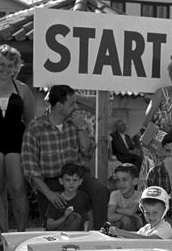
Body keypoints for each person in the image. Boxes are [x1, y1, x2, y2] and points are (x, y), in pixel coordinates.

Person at [21, 85, 108, 233]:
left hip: (76, 175)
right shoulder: (35, 127)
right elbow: (30, 168)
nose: (76, 107)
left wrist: (82, 128)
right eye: (72, 103)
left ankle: (100, 234)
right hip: (49, 181)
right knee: (53, 225)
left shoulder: (76, 123)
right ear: (59, 105)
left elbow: (87, 152)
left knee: (100, 191)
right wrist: (49, 193)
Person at [0, 44, 36, 232]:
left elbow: (30, 121)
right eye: (2, 64)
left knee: (18, 188)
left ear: (16, 67)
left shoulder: (23, 89)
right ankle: (4, 234)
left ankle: (21, 232)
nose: (6, 69)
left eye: (10, 65)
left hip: (16, 141)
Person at [44, 163, 90, 231]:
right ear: (61, 181)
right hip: (59, 237)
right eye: (68, 180)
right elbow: (49, 225)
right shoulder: (56, 199)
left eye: (75, 180)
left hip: (78, 237)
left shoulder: (84, 197)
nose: (71, 183)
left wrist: (88, 233)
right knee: (75, 217)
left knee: (76, 218)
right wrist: (65, 217)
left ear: (80, 181)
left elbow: (89, 217)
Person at [107, 163, 141, 231]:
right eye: (118, 180)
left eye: (124, 180)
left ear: (135, 181)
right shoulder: (115, 194)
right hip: (118, 225)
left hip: (134, 228)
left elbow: (131, 212)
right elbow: (110, 217)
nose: (121, 183)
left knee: (126, 221)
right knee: (122, 221)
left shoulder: (139, 195)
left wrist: (116, 209)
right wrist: (132, 215)